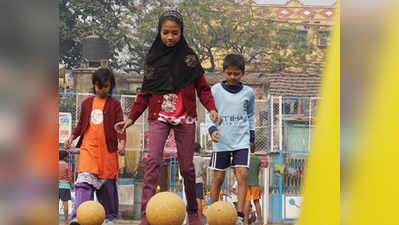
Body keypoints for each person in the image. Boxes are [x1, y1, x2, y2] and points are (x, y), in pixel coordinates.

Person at [114, 10, 221, 225]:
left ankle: (193, 213)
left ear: (181, 33)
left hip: (185, 118)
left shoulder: (190, 59)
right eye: (165, 32)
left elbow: (203, 88)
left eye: (175, 32)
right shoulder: (153, 60)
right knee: (152, 161)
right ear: (159, 33)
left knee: (187, 168)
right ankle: (146, 216)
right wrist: (131, 119)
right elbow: (145, 93)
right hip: (159, 117)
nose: (170, 37)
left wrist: (211, 108)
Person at [64, 68, 126, 225]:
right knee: (83, 184)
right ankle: (79, 217)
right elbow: (80, 124)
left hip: (108, 153)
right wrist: (71, 137)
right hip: (88, 151)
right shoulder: (86, 104)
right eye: (99, 86)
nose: (102, 90)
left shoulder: (115, 104)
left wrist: (122, 143)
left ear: (111, 86)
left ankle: (109, 218)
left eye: (105, 86)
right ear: (94, 85)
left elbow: (120, 126)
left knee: (108, 188)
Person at [207, 54, 255, 225]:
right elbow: (209, 112)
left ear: (242, 73)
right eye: (229, 74)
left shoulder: (248, 92)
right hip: (222, 140)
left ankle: (240, 215)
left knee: (242, 174)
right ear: (223, 72)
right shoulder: (215, 91)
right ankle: (212, 213)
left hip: (241, 140)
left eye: (236, 74)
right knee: (218, 177)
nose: (233, 77)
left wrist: (252, 135)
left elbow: (250, 115)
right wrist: (212, 129)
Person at [244, 148, 262, 225]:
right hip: (255, 183)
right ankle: (260, 222)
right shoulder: (258, 160)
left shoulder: (245, 158)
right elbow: (258, 172)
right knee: (256, 201)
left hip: (246, 183)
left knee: (247, 201)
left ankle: (245, 222)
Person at [193, 142, 207, 224]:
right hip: (199, 181)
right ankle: (200, 220)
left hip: (190, 182)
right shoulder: (202, 159)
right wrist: (205, 185)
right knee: (199, 201)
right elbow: (204, 173)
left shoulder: (189, 159)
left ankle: (192, 220)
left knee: (190, 200)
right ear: (199, 149)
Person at [59, 150, 73, 225]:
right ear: (65, 157)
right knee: (65, 204)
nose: (67, 158)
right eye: (67, 157)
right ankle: (66, 222)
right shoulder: (67, 165)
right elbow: (70, 177)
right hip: (65, 186)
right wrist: (70, 184)